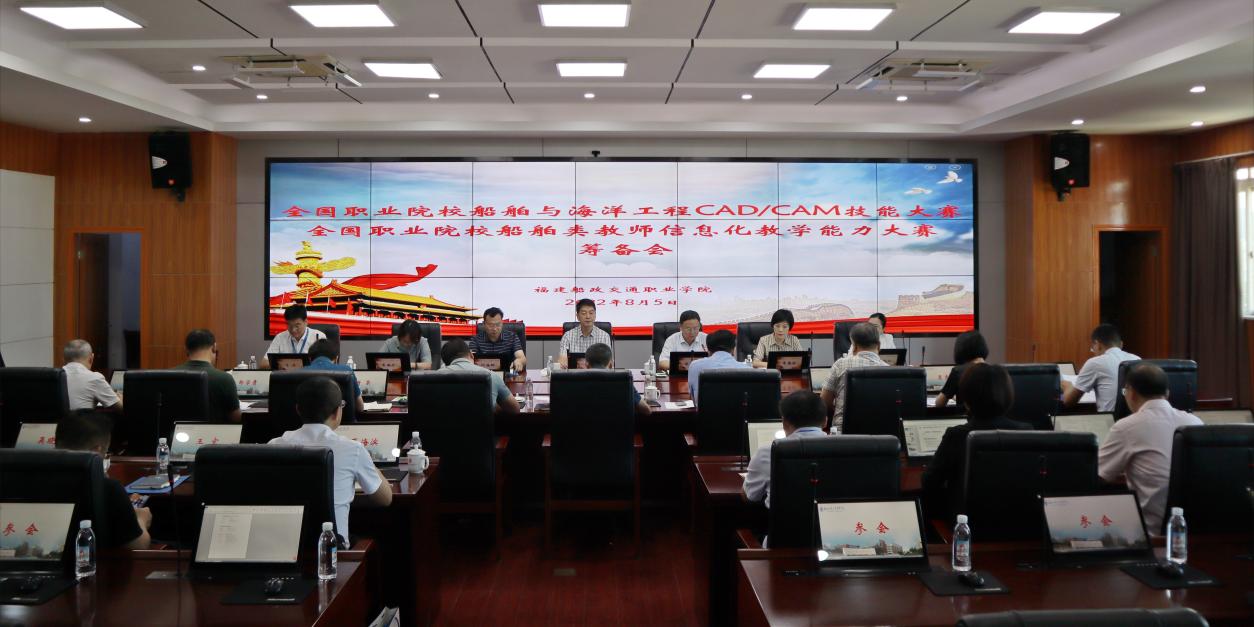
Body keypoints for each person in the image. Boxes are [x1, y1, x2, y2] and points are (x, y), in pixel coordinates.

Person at [269, 376, 392, 543]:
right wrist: (368, 462)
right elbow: (385, 499)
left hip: (287, 545)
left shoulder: (274, 446)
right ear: (337, 412)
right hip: (332, 547)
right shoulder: (352, 449)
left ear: (298, 410)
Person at [1098, 363, 1202, 533]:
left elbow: (1098, 475)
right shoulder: (1195, 422)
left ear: (1131, 393)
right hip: (1192, 530)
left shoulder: (1127, 427)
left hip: (1150, 533)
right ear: (1167, 393)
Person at [922, 363, 1032, 521]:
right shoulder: (1026, 431)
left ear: (966, 399)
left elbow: (929, 482)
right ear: (1009, 395)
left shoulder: (957, 435)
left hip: (967, 526)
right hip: (1018, 523)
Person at [54, 411, 151, 549]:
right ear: (97, 451)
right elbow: (138, 546)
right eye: (106, 454)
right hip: (98, 561)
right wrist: (141, 519)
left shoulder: (34, 481)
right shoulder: (107, 488)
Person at [742, 391, 828, 508]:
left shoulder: (768, 452)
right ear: (825, 421)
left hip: (785, 520)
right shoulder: (844, 450)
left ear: (784, 423)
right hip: (831, 519)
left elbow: (749, 496)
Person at [820, 322, 888, 432]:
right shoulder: (888, 369)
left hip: (843, 432)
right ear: (879, 346)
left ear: (854, 347)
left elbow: (824, 402)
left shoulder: (840, 364)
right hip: (878, 433)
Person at [1062, 323, 1141, 412]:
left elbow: (1068, 401)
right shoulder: (1137, 359)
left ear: (1097, 344)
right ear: (1121, 344)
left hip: (1110, 419)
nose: (1094, 352)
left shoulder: (1095, 363)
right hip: (1136, 417)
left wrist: (1067, 386)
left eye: (1093, 348)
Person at [174, 329, 241, 422]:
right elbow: (236, 418)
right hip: (214, 431)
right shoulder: (224, 378)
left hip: (175, 431)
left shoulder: (169, 376)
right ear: (214, 347)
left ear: (186, 350)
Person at [439, 338, 520, 414]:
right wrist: (493, 406)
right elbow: (515, 409)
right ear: (472, 355)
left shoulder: (435, 378)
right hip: (481, 424)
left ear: (446, 363)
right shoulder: (491, 376)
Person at [584, 343, 651, 416]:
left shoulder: (577, 382)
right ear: (611, 364)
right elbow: (647, 410)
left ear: (587, 365)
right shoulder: (623, 381)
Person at [686, 329, 749, 405]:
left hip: (705, 412)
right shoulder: (747, 370)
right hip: (736, 412)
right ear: (733, 349)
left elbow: (692, 397)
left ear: (708, 350)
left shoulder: (694, 366)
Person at [303, 339, 364, 414]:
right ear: (336, 358)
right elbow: (360, 407)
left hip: (308, 420)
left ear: (310, 359)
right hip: (344, 420)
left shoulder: (299, 373)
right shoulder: (346, 371)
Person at [62, 339, 121, 412]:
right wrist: (121, 398)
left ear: (63, 359)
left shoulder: (53, 377)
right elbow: (122, 408)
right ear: (91, 358)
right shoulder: (94, 378)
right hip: (81, 419)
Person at [934, 330, 988, 407]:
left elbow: (939, 403)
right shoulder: (997, 371)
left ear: (961, 349)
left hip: (966, 415)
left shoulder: (958, 371)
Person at [263, 305, 326, 369]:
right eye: (289, 325)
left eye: (297, 326)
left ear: (306, 322)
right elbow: (264, 363)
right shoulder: (280, 338)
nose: (293, 330)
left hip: (310, 374)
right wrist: (281, 365)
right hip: (286, 374)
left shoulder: (319, 337)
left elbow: (327, 364)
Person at [469, 307, 526, 372]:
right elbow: (471, 359)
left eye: (498, 324)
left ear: (502, 323)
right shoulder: (475, 340)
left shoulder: (512, 337)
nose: (494, 329)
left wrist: (519, 361)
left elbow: (522, 357)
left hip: (507, 375)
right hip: (484, 375)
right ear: (484, 324)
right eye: (491, 325)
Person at [559, 298, 611, 369]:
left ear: (595, 315)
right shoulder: (567, 336)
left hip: (598, 375)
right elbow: (562, 361)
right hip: (574, 375)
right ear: (577, 316)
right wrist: (563, 364)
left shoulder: (604, 336)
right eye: (584, 313)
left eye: (591, 313)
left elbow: (608, 364)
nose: (588, 316)